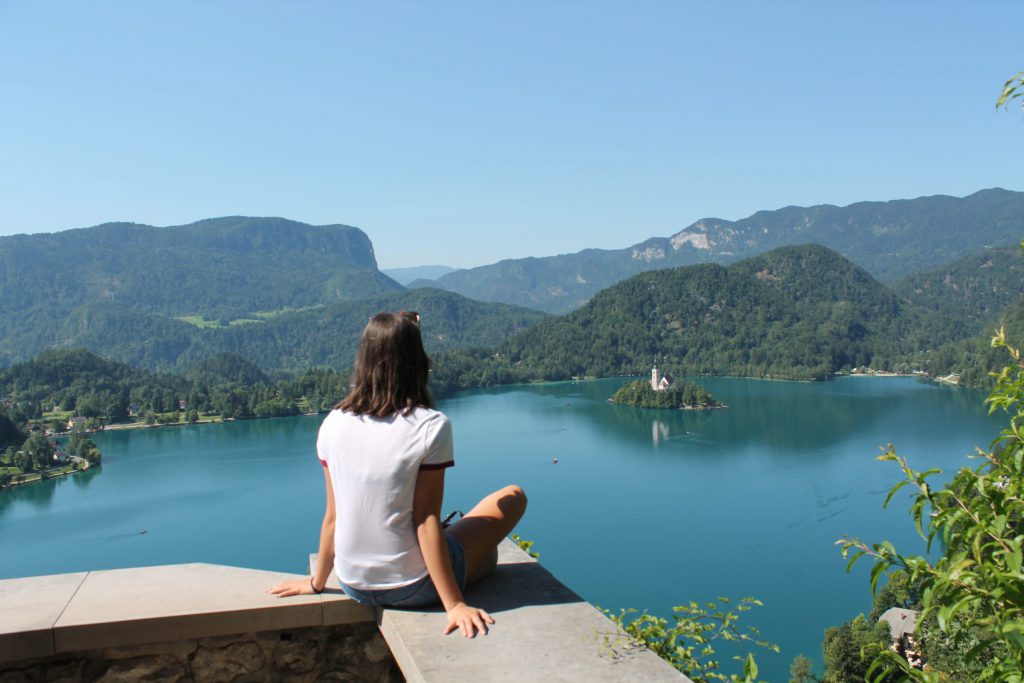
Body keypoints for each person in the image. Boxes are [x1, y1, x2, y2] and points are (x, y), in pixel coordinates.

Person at [268, 311, 527, 638]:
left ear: (363, 359)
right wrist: (454, 605)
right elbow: (424, 521)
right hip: (414, 587)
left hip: (353, 584)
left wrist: (316, 582)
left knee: (466, 543)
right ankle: (470, 565)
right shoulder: (431, 426)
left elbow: (334, 516)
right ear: (418, 361)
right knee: (513, 497)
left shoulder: (333, 423)